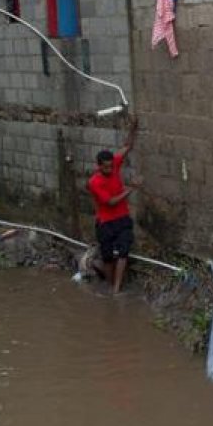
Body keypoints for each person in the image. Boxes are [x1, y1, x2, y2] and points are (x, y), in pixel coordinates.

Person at [87, 114, 139, 293]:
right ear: (99, 166)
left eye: (111, 166)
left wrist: (133, 128)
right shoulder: (95, 182)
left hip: (122, 218)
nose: (109, 169)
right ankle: (109, 283)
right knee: (108, 256)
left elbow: (126, 146)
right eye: (106, 167)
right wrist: (131, 189)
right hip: (106, 223)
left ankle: (116, 289)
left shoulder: (115, 164)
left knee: (124, 251)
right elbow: (110, 202)